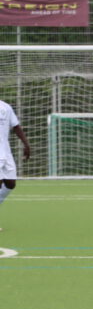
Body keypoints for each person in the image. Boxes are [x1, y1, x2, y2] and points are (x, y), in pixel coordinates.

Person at [0, 99, 31, 231]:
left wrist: (26, 144)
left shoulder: (5, 107)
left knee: (10, 183)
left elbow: (16, 126)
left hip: (5, 151)